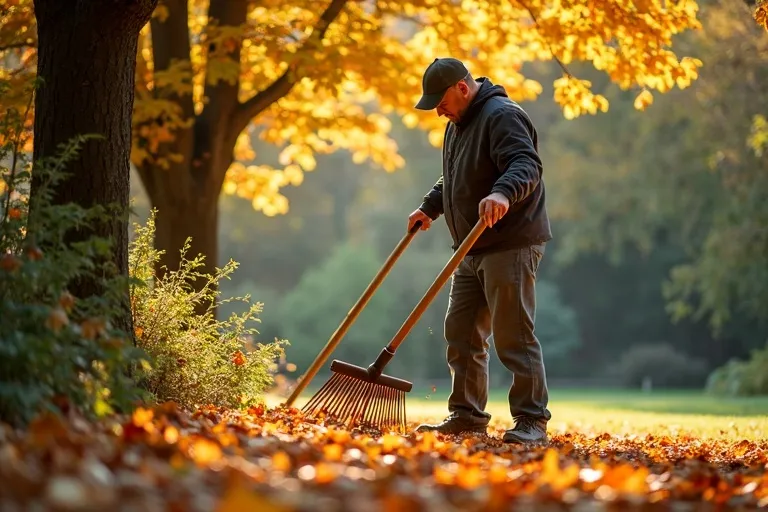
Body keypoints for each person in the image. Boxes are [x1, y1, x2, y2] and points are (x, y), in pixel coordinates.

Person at [408, 57, 552, 444]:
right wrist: (430, 206)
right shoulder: (459, 124)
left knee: (513, 334)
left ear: (461, 87)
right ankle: (467, 415)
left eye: (440, 101)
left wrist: (503, 192)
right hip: (470, 246)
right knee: (461, 331)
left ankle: (532, 421)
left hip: (510, 242)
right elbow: (456, 176)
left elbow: (526, 164)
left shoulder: (502, 114)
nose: (438, 110)